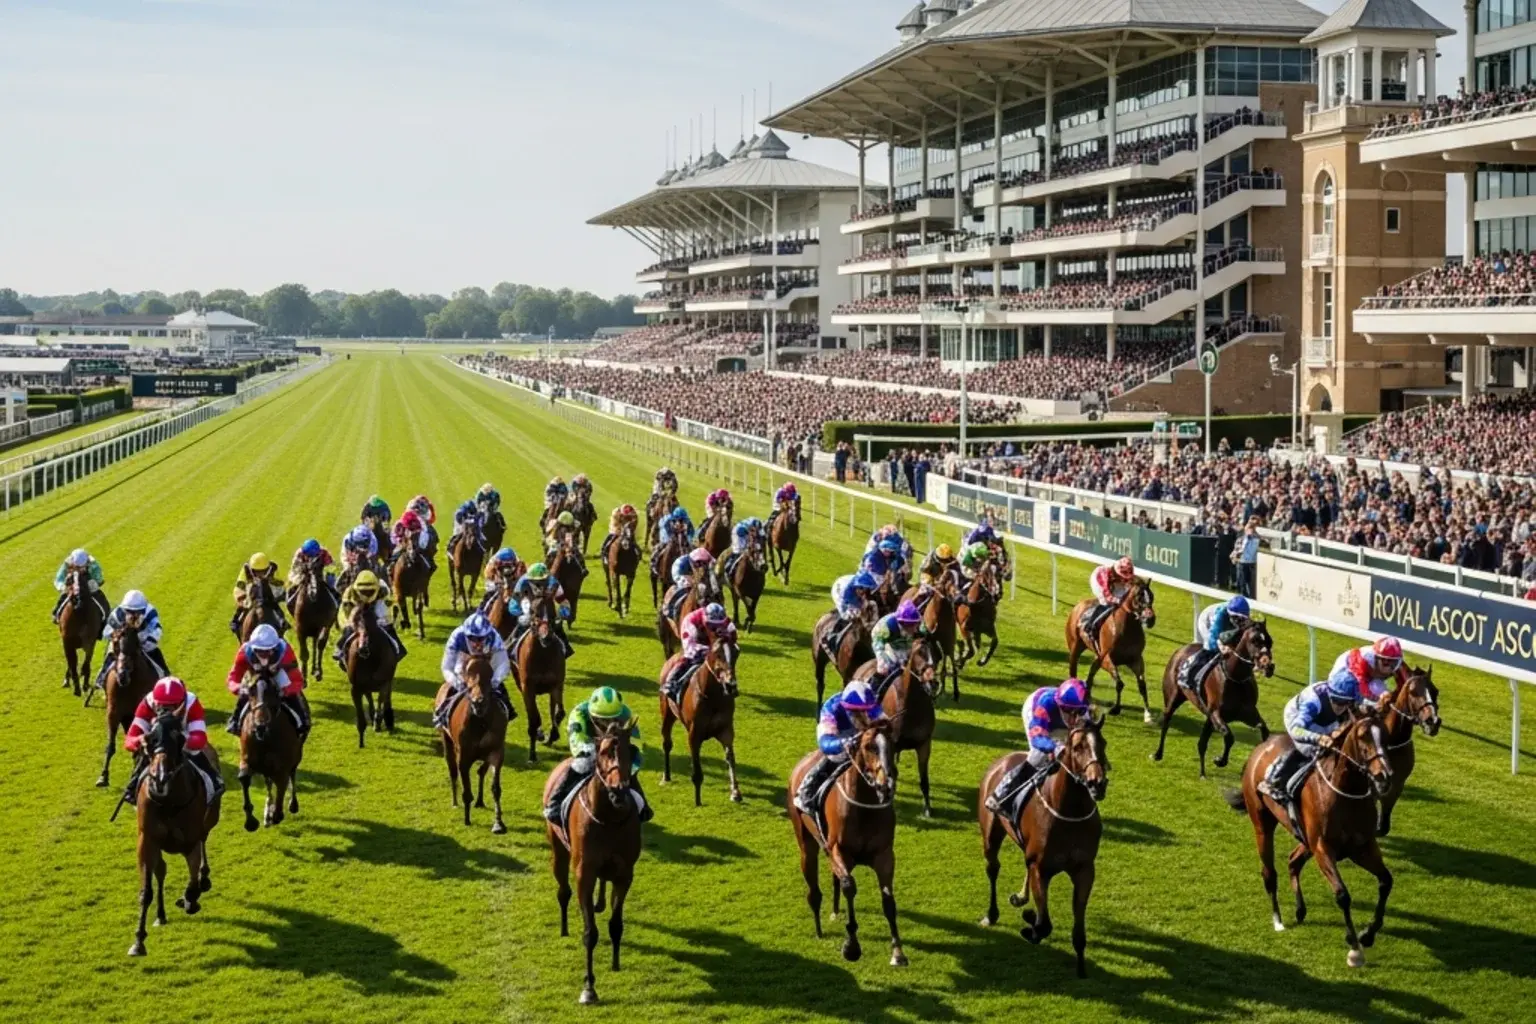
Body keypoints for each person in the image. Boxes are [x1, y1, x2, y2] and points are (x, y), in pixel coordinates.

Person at [1260, 674, 1369, 829]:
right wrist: (1318, 738)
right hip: (1297, 719)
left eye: (1347, 702)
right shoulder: (1313, 702)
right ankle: (1275, 778)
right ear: (1331, 695)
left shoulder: (1350, 696)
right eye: (1338, 702)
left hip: (1326, 721)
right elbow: (1296, 730)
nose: (1342, 707)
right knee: (1309, 749)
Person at [542, 686, 652, 824]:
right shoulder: (579, 714)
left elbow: (636, 747)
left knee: (625, 766)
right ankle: (555, 802)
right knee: (582, 764)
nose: (607, 725)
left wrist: (626, 768)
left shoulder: (626, 715)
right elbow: (577, 744)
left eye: (613, 720)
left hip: (614, 744)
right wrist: (597, 756)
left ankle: (643, 804)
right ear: (592, 716)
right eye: (602, 721)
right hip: (588, 743)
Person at [985, 678, 1091, 814]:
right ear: (1063, 707)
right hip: (1035, 713)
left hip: (1058, 721)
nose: (1075, 716)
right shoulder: (1045, 704)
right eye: (1071, 711)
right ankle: (1001, 794)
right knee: (1039, 757)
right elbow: (1037, 737)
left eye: (1079, 712)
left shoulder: (1082, 709)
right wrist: (1054, 748)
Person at [792, 679, 883, 822]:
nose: (864, 716)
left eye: (867, 711)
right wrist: (844, 743)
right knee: (836, 757)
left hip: (859, 734)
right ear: (848, 709)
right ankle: (806, 791)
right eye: (859, 712)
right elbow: (825, 744)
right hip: (838, 734)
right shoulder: (832, 709)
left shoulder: (871, 705)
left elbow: (885, 725)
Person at [123, 677, 222, 800]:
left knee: (196, 753)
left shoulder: (191, 702)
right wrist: (140, 740)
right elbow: (130, 739)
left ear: (181, 703)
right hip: (156, 741)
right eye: (162, 706)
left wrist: (181, 741)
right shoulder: (148, 702)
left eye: (172, 706)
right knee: (141, 758)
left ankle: (214, 781)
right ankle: (132, 788)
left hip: (183, 738)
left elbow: (200, 737)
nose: (166, 710)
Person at [225, 624, 310, 739]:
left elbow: (297, 680)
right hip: (255, 674)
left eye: (267, 651)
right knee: (247, 690)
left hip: (277, 673)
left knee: (289, 691)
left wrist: (286, 691)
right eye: (259, 650)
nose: (263, 654)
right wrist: (239, 688)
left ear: (275, 648)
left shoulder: (285, 651)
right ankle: (235, 721)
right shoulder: (245, 652)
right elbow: (233, 677)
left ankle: (302, 720)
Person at [434, 613, 513, 729]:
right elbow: (446, 667)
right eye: (471, 638)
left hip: (487, 665)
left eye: (480, 638)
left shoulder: (494, 636)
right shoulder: (457, 636)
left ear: (487, 635)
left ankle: (508, 711)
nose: (476, 642)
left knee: (501, 692)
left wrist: (495, 680)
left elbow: (503, 664)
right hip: (462, 666)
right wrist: (457, 683)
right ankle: (442, 713)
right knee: (451, 689)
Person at [662, 602, 737, 706]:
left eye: (718, 625)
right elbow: (691, 645)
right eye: (712, 625)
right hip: (693, 636)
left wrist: (730, 644)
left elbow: (733, 637)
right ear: (706, 619)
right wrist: (706, 650)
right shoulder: (691, 622)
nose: (715, 627)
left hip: (709, 639)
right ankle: (672, 682)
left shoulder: (726, 622)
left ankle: (729, 682)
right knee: (691, 657)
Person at [97, 589, 170, 687]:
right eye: (129, 611)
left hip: (144, 641)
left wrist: (146, 640)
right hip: (121, 642)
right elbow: (106, 632)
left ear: (143, 609)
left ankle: (165, 674)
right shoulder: (117, 614)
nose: (133, 614)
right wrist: (116, 635)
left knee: (155, 653)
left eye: (137, 611)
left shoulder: (150, 612)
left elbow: (157, 630)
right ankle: (102, 677)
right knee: (110, 653)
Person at [1182, 595, 1252, 693]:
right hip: (1207, 622)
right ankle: (1188, 673)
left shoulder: (1242, 616)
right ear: (1232, 615)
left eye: (1243, 619)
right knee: (1211, 650)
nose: (1241, 622)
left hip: (1226, 624)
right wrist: (1222, 647)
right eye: (1239, 619)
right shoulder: (1221, 616)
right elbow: (1212, 640)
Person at [334, 570, 406, 661]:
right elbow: (347, 611)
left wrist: (385, 619)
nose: (367, 593)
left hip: (374, 608)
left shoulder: (383, 589)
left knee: (388, 628)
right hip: (352, 609)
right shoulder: (349, 592)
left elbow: (388, 604)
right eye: (363, 591)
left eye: (370, 591)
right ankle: (339, 648)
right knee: (348, 629)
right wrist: (352, 622)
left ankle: (399, 648)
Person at [510, 562, 574, 657]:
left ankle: (565, 649)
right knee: (521, 625)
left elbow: (562, 600)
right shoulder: (522, 583)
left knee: (558, 627)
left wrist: (564, 612)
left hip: (549, 615)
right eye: (535, 581)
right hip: (530, 613)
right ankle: (512, 650)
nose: (539, 584)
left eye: (542, 580)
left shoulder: (554, 583)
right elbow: (513, 604)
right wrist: (522, 614)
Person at [1327, 636, 1408, 702]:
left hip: (1369, 676)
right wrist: (1376, 700)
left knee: (1384, 695)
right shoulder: (1363, 660)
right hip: (1347, 672)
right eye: (1385, 663)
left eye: (1393, 663)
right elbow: (1363, 688)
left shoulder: (1395, 661)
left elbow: (1407, 684)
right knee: (1357, 694)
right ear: (1376, 657)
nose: (1389, 667)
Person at [870, 600, 923, 693]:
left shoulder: (910, 626)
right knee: (883, 667)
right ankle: (874, 689)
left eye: (916, 624)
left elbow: (909, 646)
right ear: (905, 623)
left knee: (905, 660)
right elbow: (878, 642)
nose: (915, 629)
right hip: (880, 638)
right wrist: (883, 658)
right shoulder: (887, 625)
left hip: (900, 638)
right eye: (913, 625)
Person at [229, 552, 287, 637]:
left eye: (263, 571)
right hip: (250, 593)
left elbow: (280, 583)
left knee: (274, 605)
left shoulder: (273, 567)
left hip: (269, 592)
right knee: (243, 607)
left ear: (267, 568)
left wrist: (272, 582)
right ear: (252, 569)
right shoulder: (246, 568)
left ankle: (282, 621)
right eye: (257, 571)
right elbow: (240, 585)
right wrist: (242, 599)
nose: (260, 574)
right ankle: (235, 621)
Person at [824, 570, 879, 656]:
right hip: (839, 592)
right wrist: (855, 615)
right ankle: (833, 637)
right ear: (856, 587)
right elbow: (844, 614)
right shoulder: (845, 593)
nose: (865, 594)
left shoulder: (865, 587)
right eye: (862, 590)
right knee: (850, 617)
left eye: (867, 590)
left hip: (850, 587)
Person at [1083, 557, 1137, 643]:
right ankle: (1090, 627)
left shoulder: (1127, 573)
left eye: (1125, 578)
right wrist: (1119, 601)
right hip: (1098, 581)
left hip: (1114, 582)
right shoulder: (1104, 575)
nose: (1124, 580)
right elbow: (1108, 596)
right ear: (1116, 572)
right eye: (1122, 577)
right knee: (1106, 603)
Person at [52, 547, 110, 621]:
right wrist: (63, 587)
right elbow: (58, 579)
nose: (80, 570)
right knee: (64, 597)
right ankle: (56, 613)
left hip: (88, 586)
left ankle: (106, 614)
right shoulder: (67, 564)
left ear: (87, 562)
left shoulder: (93, 564)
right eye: (77, 567)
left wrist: (93, 584)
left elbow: (99, 578)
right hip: (72, 586)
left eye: (82, 567)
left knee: (101, 599)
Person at [287, 538, 339, 612]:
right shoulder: (299, 554)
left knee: (332, 582)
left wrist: (327, 572)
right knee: (293, 586)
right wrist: (304, 573)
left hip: (319, 573)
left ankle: (337, 599)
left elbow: (331, 565)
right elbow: (295, 568)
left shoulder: (323, 553)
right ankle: (290, 603)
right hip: (303, 574)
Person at [665, 547, 715, 619]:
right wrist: (692, 581)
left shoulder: (709, 559)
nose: (702, 566)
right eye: (700, 564)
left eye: (704, 564)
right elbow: (679, 577)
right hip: (681, 572)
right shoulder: (680, 564)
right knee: (685, 586)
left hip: (693, 568)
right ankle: (670, 609)